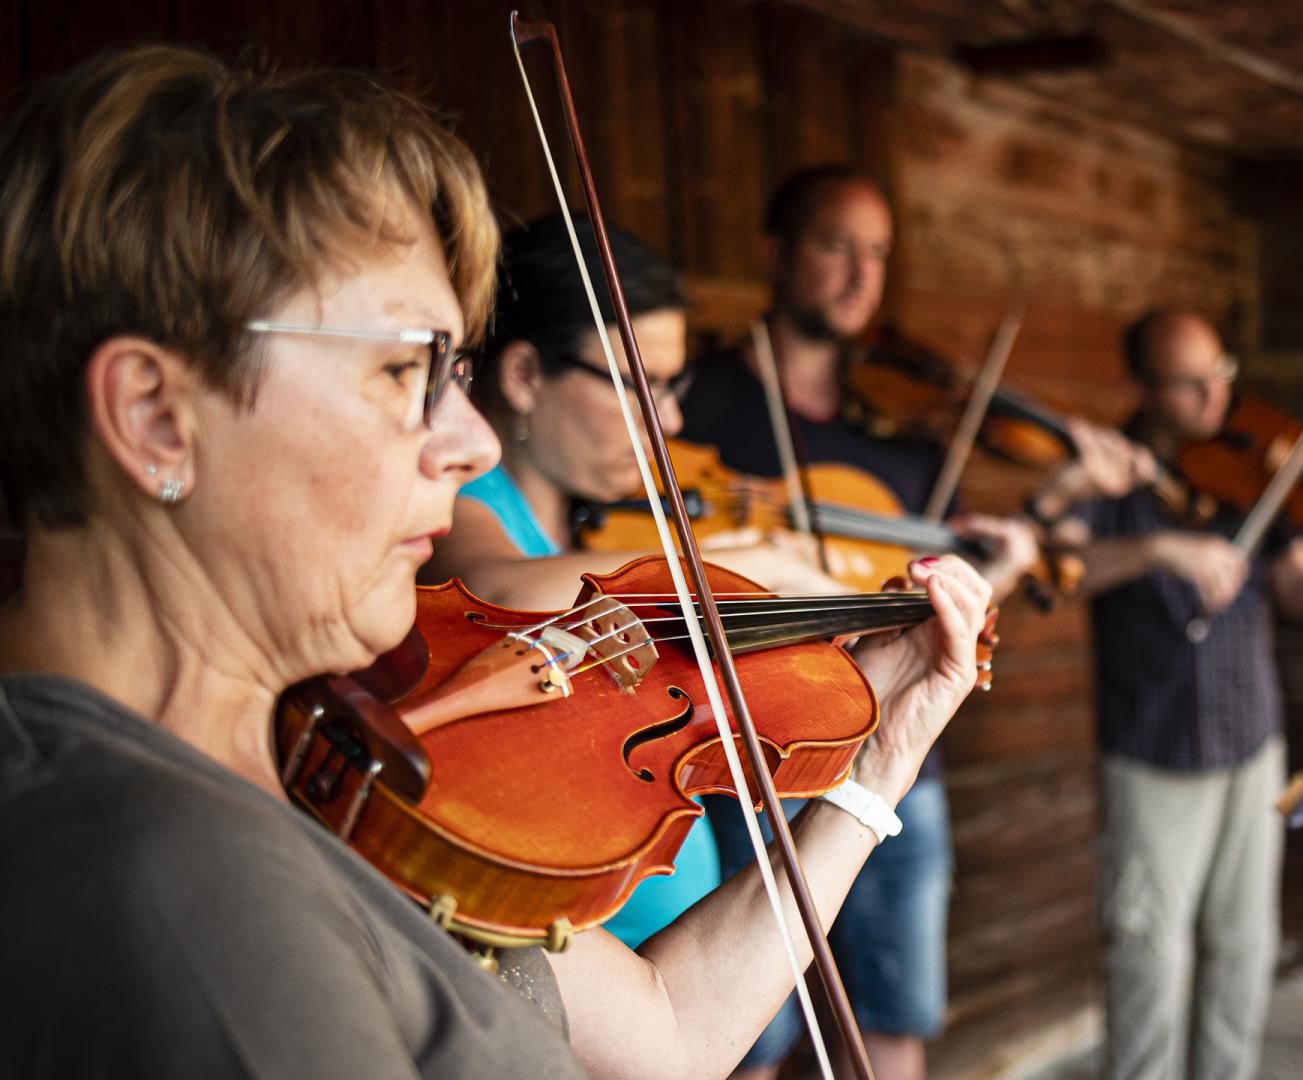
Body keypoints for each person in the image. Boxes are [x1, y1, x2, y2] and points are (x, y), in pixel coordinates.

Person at [0, 44, 992, 1079]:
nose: (470, 443)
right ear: (157, 417)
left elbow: (668, 1036)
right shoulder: (191, 897)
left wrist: (876, 767)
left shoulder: (326, 761)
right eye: (403, 369)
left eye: (455, 373)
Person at [675, 165, 1143, 1080]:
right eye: (834, 245)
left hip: (891, 757)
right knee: (744, 1032)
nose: (859, 274)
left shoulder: (908, 431)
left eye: (878, 254)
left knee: (894, 1015)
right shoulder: (697, 403)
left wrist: (1010, 558)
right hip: (748, 753)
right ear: (777, 253)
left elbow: (947, 595)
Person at [422, 214, 844, 953]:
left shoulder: (592, 533)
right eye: (638, 385)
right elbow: (502, 591)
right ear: (524, 376)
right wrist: (721, 570)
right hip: (593, 955)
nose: (669, 417)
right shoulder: (463, 504)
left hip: (686, 939)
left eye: (672, 386)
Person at [1053, 309, 1303, 1080]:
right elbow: (1060, 569)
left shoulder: (1245, 476)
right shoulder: (1109, 476)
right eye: (1189, 384)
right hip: (1152, 749)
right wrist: (1155, 549)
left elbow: (1302, 585)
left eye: (1220, 375)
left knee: (1245, 946)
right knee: (1148, 953)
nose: (1214, 398)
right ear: (1140, 386)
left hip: (1249, 740)